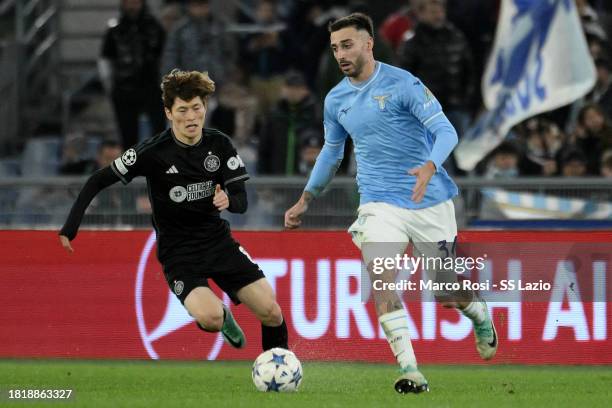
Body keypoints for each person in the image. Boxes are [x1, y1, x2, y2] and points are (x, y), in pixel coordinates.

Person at [284, 13, 497, 394]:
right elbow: (332, 153)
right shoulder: (336, 99)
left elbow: (446, 130)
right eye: (335, 48)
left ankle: (480, 314)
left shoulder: (403, 84)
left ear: (368, 44)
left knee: (446, 290)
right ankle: (410, 370)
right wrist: (306, 198)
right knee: (382, 278)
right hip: (378, 202)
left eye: (347, 45)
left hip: (428, 199)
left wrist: (431, 165)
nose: (340, 54)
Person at [59, 70, 288, 353]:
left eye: (196, 108)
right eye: (182, 110)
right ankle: (224, 318)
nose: (191, 117)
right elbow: (98, 179)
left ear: (205, 108)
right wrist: (70, 227)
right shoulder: (152, 152)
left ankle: (277, 370)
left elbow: (241, 201)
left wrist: (229, 200)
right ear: (169, 113)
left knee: (271, 311)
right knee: (212, 317)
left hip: (218, 243)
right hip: (179, 254)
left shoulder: (219, 144)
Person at [99, 0, 167, 149]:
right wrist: (109, 86)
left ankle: (161, 167)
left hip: (152, 87)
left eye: (135, 2)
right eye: (128, 2)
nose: (132, 6)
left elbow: (165, 56)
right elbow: (105, 59)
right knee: (128, 135)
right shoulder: (114, 29)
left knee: (160, 132)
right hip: (124, 89)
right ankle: (131, 169)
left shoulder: (155, 27)